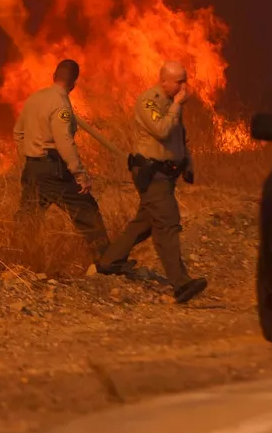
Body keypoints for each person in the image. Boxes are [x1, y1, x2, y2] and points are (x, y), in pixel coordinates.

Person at [98, 61, 208, 303]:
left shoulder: (172, 105)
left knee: (146, 221)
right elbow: (161, 130)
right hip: (152, 173)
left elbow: (179, 139)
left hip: (167, 174)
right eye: (179, 81)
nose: (183, 86)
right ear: (164, 80)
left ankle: (109, 261)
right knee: (167, 222)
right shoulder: (149, 101)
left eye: (185, 80)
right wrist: (177, 106)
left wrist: (187, 165)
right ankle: (181, 284)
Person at [13, 59, 124, 271]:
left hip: (33, 168)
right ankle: (107, 262)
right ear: (74, 83)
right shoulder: (61, 105)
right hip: (54, 170)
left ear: (54, 75)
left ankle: (19, 262)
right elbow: (64, 142)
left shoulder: (34, 98)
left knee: (28, 216)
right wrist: (80, 174)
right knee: (86, 210)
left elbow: (18, 132)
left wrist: (30, 154)